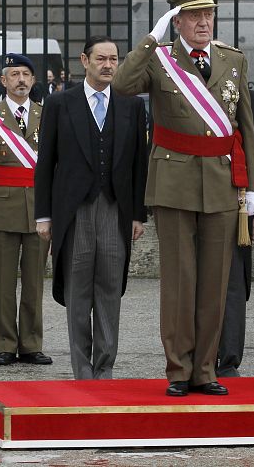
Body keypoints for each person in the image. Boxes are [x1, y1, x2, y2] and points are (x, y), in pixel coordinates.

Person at [113, 0, 254, 397]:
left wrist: (253, 190)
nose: (203, 22)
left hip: (219, 180)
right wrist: (150, 39)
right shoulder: (159, 59)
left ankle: (205, 369)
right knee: (179, 281)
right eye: (194, 16)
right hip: (174, 181)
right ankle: (178, 369)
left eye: (208, 14)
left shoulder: (232, 59)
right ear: (176, 21)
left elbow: (245, 127)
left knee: (215, 282)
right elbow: (122, 85)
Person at [35, 36, 147, 380]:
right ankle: (82, 370)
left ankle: (105, 369)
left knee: (110, 289)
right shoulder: (59, 104)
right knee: (78, 291)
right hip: (75, 211)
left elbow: (139, 165)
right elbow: (45, 163)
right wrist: (44, 215)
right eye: (101, 58)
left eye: (114, 59)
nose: (109, 65)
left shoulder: (131, 106)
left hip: (115, 209)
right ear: (85, 61)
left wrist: (139, 214)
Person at [0, 54, 51, 367]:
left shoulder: (47, 115)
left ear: (32, 80)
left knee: (34, 282)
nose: (21, 80)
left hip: (39, 211)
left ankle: (31, 344)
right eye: (14, 74)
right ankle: (5, 343)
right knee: (3, 283)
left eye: (26, 74)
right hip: (1, 210)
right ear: (3, 81)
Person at [216, 88, 254, 377]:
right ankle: (200, 356)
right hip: (195, 199)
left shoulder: (245, 95)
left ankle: (229, 359)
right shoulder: (180, 87)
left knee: (234, 284)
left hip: (238, 202)